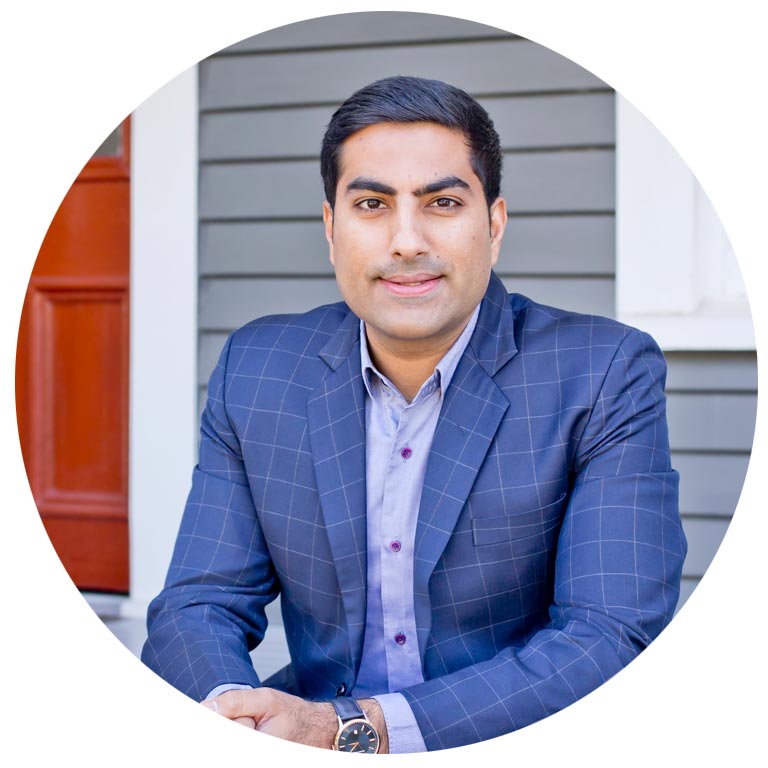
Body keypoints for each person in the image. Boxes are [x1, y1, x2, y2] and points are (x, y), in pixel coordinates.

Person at [141, 75, 687, 753]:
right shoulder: (259, 370)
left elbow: (608, 636)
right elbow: (198, 605)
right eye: (372, 203)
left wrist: (355, 730)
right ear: (331, 229)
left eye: (443, 202)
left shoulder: (602, 374)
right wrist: (236, 716)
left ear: (493, 225)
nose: (405, 240)